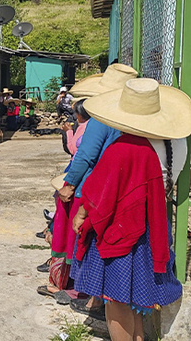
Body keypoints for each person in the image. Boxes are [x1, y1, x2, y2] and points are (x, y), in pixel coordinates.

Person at [71, 79, 188, 340]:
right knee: (133, 298)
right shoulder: (178, 144)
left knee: (117, 300)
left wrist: (80, 214)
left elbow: (100, 192)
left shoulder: (123, 148)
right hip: (149, 231)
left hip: (121, 230)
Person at [58, 64, 138, 316]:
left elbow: (86, 156)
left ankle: (90, 296)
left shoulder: (102, 119)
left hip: (95, 188)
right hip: (125, 188)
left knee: (87, 241)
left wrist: (69, 184)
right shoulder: (131, 119)